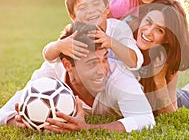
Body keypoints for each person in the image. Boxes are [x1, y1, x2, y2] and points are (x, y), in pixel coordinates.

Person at [0, 22, 155, 132]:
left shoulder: (119, 76)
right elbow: (4, 113)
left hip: (152, 92)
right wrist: (18, 121)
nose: (102, 70)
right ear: (68, 65)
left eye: (105, 59)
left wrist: (88, 128)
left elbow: (145, 120)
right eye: (92, 63)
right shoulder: (49, 75)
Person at [43, 0, 143, 70]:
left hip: (120, 80)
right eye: (83, 7)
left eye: (96, 4)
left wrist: (111, 42)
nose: (91, 10)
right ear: (73, 17)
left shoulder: (118, 28)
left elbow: (135, 61)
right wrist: (59, 46)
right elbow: (49, 57)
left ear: (107, 8)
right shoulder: (75, 33)